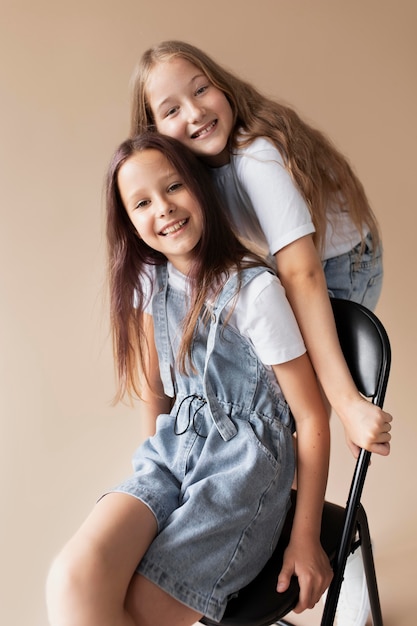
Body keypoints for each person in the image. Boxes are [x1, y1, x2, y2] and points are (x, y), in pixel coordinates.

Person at [46, 133, 333, 626]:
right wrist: (155, 493)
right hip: (174, 455)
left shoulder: (255, 293)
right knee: (72, 578)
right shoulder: (150, 285)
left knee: (136, 609)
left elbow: (310, 417)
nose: (164, 208)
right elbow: (155, 392)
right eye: (142, 202)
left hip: (241, 472)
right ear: (130, 224)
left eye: (174, 186)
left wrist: (305, 539)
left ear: (201, 188)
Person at [129, 39, 393, 462]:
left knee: (296, 395)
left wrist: (346, 402)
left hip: (340, 261)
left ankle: (294, 510)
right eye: (172, 109)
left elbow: (302, 275)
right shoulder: (178, 180)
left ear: (223, 86)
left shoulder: (257, 158)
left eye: (200, 90)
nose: (195, 113)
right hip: (287, 260)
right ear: (153, 131)